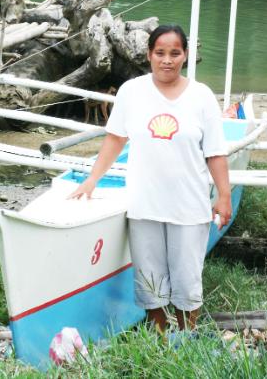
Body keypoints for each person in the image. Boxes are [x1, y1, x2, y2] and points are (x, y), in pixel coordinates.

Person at [69, 24, 231, 332]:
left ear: (185, 55)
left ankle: (185, 338)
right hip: (144, 205)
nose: (167, 60)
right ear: (149, 55)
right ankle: (160, 337)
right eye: (160, 53)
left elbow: (215, 152)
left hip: (189, 205)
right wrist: (92, 179)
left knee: (187, 280)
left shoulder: (201, 96)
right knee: (149, 280)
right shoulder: (132, 92)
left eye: (175, 53)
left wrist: (224, 195)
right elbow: (116, 139)